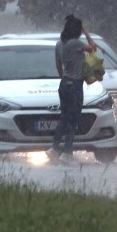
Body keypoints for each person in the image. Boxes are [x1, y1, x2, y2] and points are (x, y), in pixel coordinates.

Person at [46, 14, 97, 162]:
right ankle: (67, 152)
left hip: (64, 83)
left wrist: (64, 77)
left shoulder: (59, 44)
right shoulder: (76, 43)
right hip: (75, 85)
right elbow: (93, 48)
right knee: (73, 120)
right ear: (77, 29)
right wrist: (87, 33)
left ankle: (54, 148)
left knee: (64, 117)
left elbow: (58, 65)